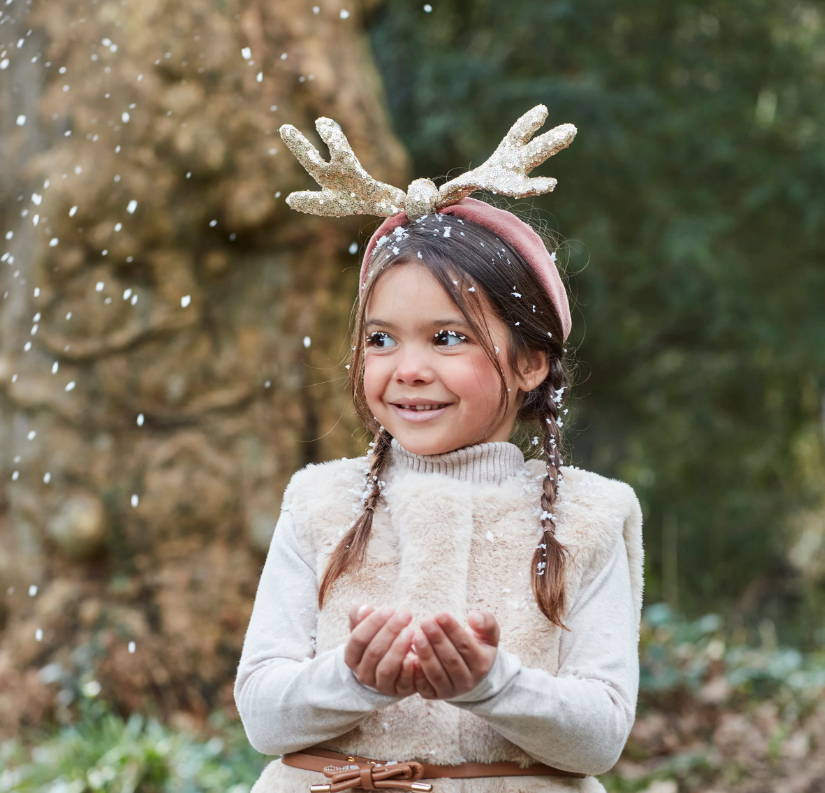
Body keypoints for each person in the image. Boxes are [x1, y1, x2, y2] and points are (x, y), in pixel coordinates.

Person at [235, 106, 644, 793]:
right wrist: (354, 678)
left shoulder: (591, 517)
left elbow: (599, 737)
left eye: (447, 338)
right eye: (380, 339)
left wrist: (494, 684)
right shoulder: (318, 502)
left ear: (530, 361)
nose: (408, 368)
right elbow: (262, 717)